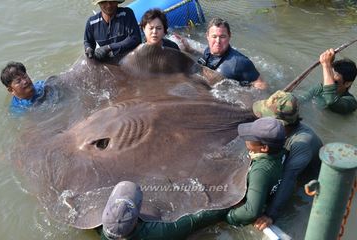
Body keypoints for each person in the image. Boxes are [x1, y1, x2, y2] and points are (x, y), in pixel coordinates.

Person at [251, 91, 323, 231]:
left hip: (309, 184)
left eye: (266, 118)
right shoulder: (281, 132)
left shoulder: (302, 143)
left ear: (281, 124)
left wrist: (271, 215)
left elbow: (289, 179)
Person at [96, 181, 227, 240]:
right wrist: (228, 207)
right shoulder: (159, 233)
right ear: (135, 223)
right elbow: (196, 220)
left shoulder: (105, 230)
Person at [226, 117, 285, 226]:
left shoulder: (260, 171)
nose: (246, 140)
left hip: (254, 200)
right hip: (266, 189)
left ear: (264, 148)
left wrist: (230, 217)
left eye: (250, 138)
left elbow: (251, 212)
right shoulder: (282, 152)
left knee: (199, 217)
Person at [179, 17, 267, 89]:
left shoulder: (240, 62)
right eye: (214, 36)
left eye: (222, 36)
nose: (218, 41)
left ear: (229, 36)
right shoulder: (208, 51)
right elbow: (204, 56)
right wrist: (189, 49)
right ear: (207, 36)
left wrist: (243, 96)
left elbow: (262, 85)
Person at [298, 48, 357, 114]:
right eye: (328, 78)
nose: (328, 83)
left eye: (333, 81)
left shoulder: (350, 102)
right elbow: (300, 101)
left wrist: (326, 65)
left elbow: (331, 101)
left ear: (347, 83)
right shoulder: (320, 88)